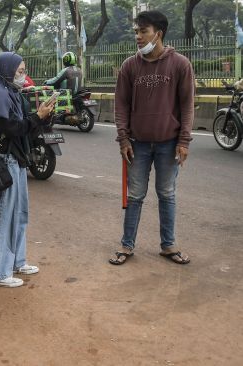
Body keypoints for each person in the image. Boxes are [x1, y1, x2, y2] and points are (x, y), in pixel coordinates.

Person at [109, 10, 194, 265]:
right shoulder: (129, 66)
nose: (137, 36)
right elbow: (120, 106)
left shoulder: (180, 64)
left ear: (158, 33)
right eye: (136, 31)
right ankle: (127, 245)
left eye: (143, 31)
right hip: (137, 144)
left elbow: (187, 105)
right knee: (135, 195)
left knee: (167, 194)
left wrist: (184, 141)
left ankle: (168, 245)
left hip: (169, 144)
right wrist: (123, 140)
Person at [0, 52, 54, 287]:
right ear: (7, 70)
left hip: (18, 159)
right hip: (5, 161)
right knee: (4, 216)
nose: (23, 76)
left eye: (24, 71)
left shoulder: (12, 93)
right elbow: (12, 128)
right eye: (19, 71)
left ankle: (16, 261)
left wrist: (42, 117)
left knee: (20, 214)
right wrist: (37, 117)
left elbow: (25, 129)